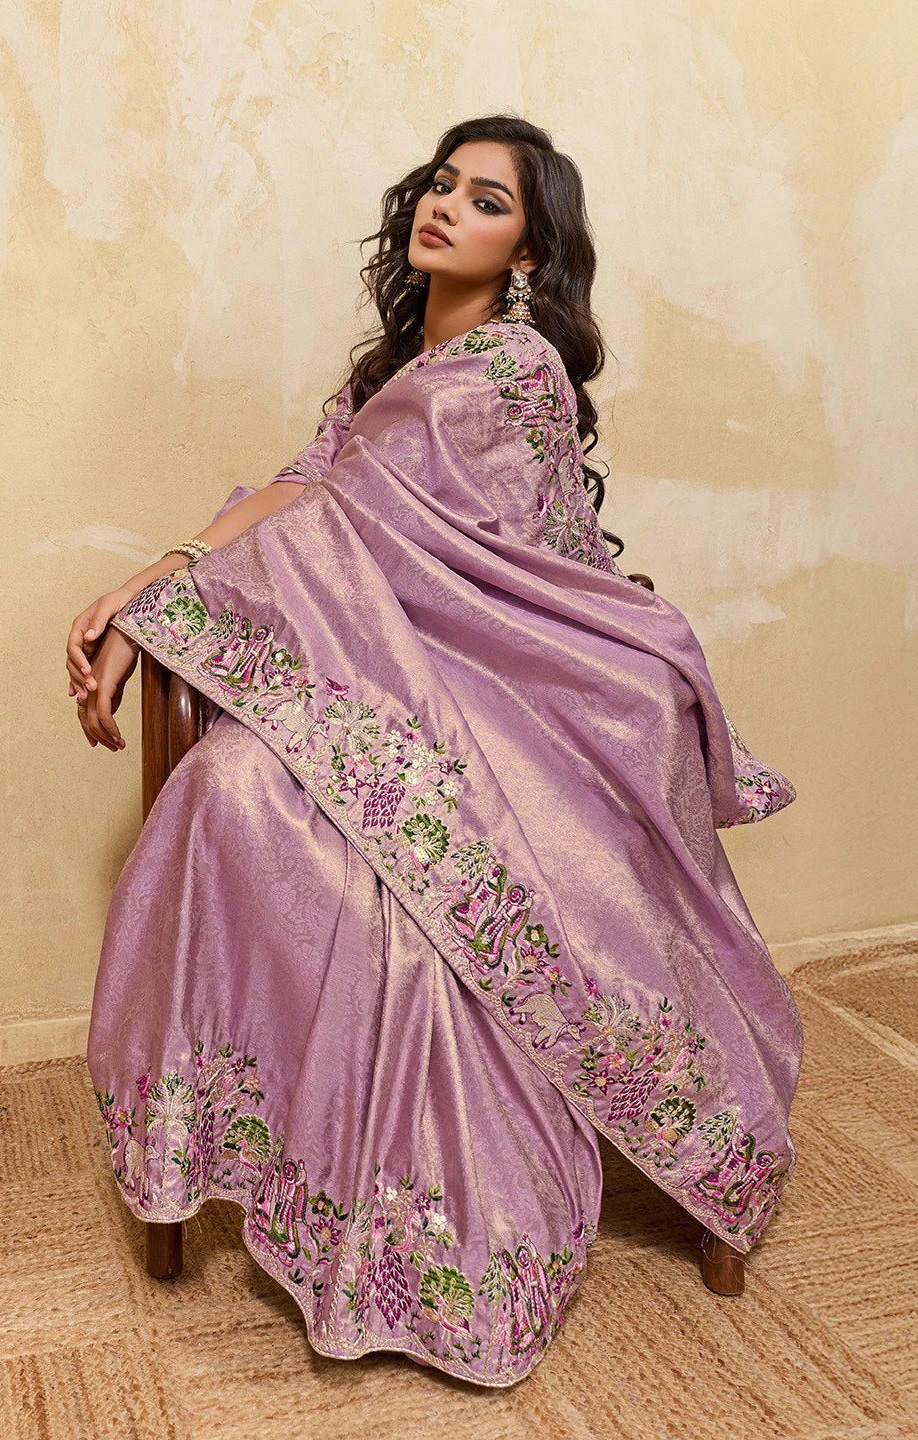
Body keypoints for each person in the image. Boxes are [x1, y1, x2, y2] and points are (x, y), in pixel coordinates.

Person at [71, 115, 803, 1388]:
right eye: (442, 183)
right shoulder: (386, 378)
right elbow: (307, 490)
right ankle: (233, 1135)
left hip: (510, 691)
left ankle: (437, 1215)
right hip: (387, 679)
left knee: (421, 917)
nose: (449, 205)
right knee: (226, 789)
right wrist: (162, 577)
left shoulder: (511, 369)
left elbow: (382, 530)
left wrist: (170, 608)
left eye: (489, 199)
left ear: (529, 254)